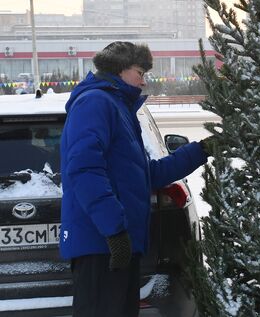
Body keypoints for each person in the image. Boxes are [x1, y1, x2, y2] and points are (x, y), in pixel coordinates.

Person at [60, 41, 211, 317]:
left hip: (118, 245)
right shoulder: (95, 103)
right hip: (101, 245)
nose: (143, 81)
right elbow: (84, 170)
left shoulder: (119, 108)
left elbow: (145, 174)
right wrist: (114, 231)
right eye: (140, 72)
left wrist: (200, 151)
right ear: (119, 69)